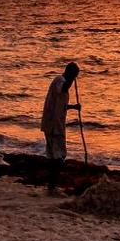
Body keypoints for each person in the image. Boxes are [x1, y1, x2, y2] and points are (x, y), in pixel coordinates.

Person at [41, 62, 81, 191]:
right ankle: (52, 184)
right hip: (53, 125)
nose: (74, 79)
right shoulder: (60, 80)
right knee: (57, 156)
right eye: (74, 75)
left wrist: (73, 107)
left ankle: (52, 184)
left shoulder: (64, 82)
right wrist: (70, 79)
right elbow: (62, 88)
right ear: (69, 73)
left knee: (58, 154)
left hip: (56, 124)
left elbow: (60, 105)